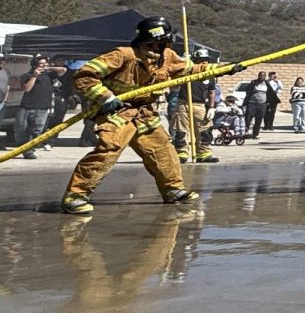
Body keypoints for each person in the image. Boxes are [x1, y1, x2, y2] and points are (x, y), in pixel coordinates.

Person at [61, 16, 245, 214]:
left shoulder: (167, 56)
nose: (158, 48)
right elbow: (85, 75)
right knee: (108, 150)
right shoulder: (122, 55)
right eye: (155, 44)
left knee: (163, 151)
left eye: (162, 44)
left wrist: (222, 69)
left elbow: (189, 69)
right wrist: (106, 97)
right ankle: (76, 196)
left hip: (145, 113)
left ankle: (173, 190)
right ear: (144, 41)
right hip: (117, 112)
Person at [171, 47, 220, 163]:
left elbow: (212, 92)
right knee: (181, 131)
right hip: (184, 104)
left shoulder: (209, 74)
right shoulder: (188, 71)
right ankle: (181, 154)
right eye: (201, 60)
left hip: (200, 106)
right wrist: (184, 62)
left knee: (205, 131)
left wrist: (212, 108)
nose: (204, 62)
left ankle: (203, 154)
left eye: (206, 60)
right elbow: (174, 79)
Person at [17, 53, 67, 159]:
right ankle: (23, 147)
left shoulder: (49, 75)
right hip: (27, 107)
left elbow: (63, 70)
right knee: (22, 129)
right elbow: (27, 89)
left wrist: (47, 67)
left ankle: (29, 150)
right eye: (41, 64)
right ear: (34, 65)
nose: (43, 66)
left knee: (37, 130)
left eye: (45, 63)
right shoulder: (26, 76)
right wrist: (34, 76)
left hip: (43, 108)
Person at [242, 71, 275, 139]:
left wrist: (269, 102)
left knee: (259, 119)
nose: (262, 77)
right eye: (260, 75)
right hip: (252, 103)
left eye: (263, 75)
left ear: (265, 76)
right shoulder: (254, 82)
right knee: (248, 118)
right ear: (258, 75)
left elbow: (270, 93)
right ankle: (245, 132)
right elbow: (248, 91)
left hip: (262, 104)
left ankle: (255, 134)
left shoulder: (266, 83)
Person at [0, 54, 10, 149]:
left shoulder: (6, 71)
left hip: (2, 102)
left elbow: (8, 86)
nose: (2, 62)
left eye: (3, 60)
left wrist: (6, 99)